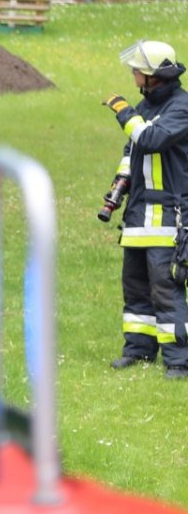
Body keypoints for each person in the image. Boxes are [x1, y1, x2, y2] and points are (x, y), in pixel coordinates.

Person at [102, 40, 188, 379]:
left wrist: (124, 112)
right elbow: (133, 149)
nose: (133, 73)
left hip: (170, 216)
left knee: (165, 291)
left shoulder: (182, 108)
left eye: (138, 69)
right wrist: (118, 185)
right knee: (136, 288)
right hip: (139, 217)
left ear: (155, 75)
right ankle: (138, 350)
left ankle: (179, 360)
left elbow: (151, 139)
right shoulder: (147, 105)